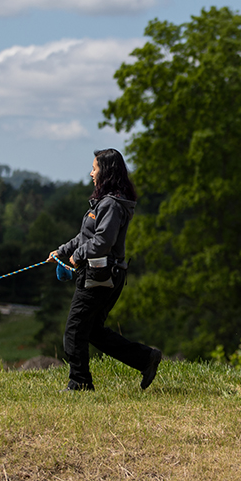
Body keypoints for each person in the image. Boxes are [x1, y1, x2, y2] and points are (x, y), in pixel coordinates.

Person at [48, 149, 162, 391]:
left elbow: (102, 242)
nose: (91, 173)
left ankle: (79, 382)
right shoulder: (105, 202)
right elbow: (85, 236)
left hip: (100, 275)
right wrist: (62, 251)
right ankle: (145, 358)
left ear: (106, 172)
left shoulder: (110, 204)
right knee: (93, 331)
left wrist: (75, 257)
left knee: (75, 328)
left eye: (95, 168)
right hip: (104, 274)